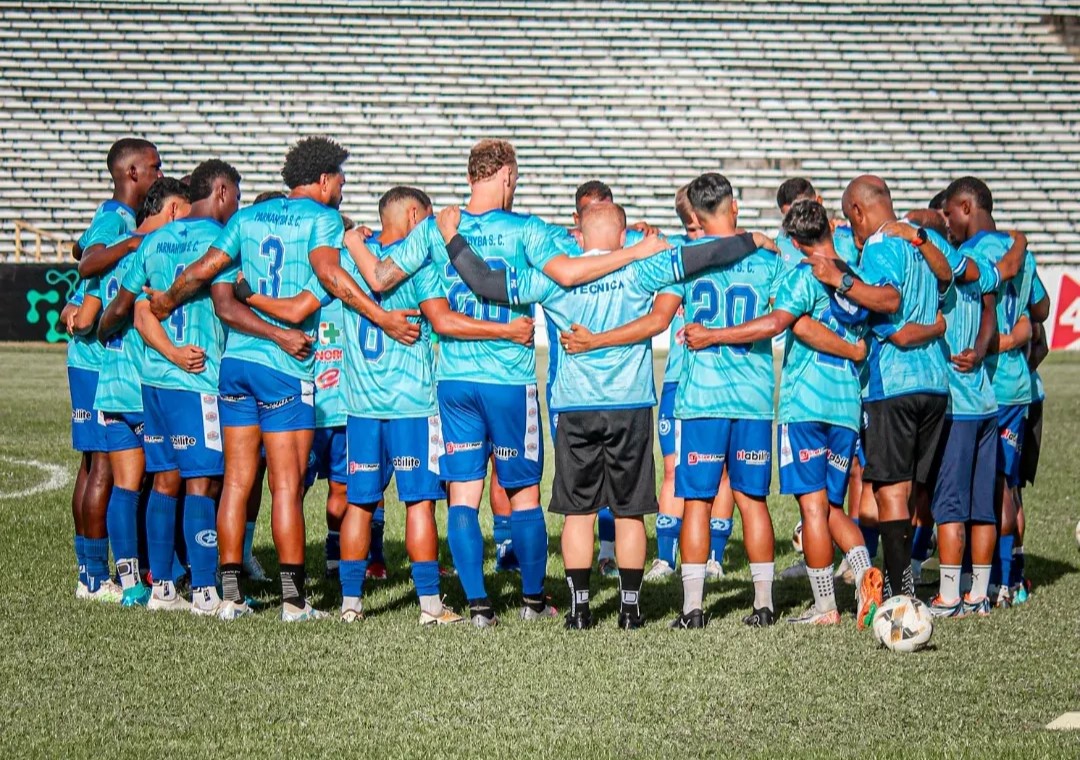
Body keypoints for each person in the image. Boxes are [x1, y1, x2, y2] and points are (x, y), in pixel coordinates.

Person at [346, 139, 672, 626]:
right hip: (509, 377)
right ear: (506, 177)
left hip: (453, 378)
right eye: (514, 179)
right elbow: (573, 269)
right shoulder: (526, 230)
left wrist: (352, 238)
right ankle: (532, 601)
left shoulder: (438, 229)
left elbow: (379, 277)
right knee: (522, 492)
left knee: (463, 493)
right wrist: (636, 248)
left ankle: (478, 606)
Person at [147, 136, 419, 621]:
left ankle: (229, 596)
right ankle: (294, 601)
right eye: (340, 177)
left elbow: (207, 274)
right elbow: (331, 278)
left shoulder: (247, 218)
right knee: (286, 487)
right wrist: (381, 317)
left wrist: (167, 299)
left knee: (235, 481)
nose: (342, 186)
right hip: (284, 371)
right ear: (322, 179)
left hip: (236, 365)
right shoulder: (323, 220)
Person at [437, 200, 677, 629]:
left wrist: (454, 239)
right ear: (623, 237)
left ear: (577, 237)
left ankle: (580, 609)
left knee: (578, 512)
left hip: (575, 404)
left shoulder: (555, 276)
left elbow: (486, 283)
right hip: (629, 400)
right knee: (629, 511)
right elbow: (690, 251)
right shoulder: (641, 266)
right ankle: (629, 609)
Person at [683, 199, 886, 626]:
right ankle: (867, 574)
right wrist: (852, 349)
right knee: (831, 506)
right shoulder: (856, 277)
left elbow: (785, 324)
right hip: (847, 403)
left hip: (806, 403)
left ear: (794, 241)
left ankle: (826, 605)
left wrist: (714, 335)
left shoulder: (801, 276)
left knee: (813, 508)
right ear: (832, 227)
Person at [809, 175, 951, 599]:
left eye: (852, 222)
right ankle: (905, 578)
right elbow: (945, 287)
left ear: (857, 210)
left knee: (891, 491)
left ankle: (899, 591)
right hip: (935, 383)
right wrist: (934, 327)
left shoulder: (881, 246)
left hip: (894, 384)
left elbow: (888, 300)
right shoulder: (921, 244)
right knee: (910, 492)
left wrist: (842, 281)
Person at [120, 160, 243, 615]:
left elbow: (139, 311)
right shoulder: (222, 242)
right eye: (238, 196)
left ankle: (162, 589)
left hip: (155, 379)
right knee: (202, 483)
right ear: (223, 191)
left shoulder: (154, 240)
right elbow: (234, 299)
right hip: (198, 381)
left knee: (165, 481)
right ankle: (207, 591)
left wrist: (168, 353)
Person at [90, 177, 192, 606]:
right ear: (171, 210)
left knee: (126, 487)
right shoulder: (162, 251)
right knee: (171, 481)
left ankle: (131, 582)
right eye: (187, 213)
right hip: (148, 384)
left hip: (111, 383)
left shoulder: (115, 250)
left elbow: (91, 319)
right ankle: (167, 577)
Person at [65, 137, 160, 601]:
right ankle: (92, 575)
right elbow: (88, 263)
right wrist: (134, 242)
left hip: (96, 361)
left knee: (94, 465)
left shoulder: (121, 219)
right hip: (94, 363)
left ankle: (91, 570)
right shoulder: (116, 217)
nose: (159, 174)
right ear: (132, 173)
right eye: (154, 167)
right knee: (100, 466)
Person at [940, 176, 1039, 608]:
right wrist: (1020, 336)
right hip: (1017, 386)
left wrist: (993, 343)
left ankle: (989, 582)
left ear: (965, 206)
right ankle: (1008, 580)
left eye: (949, 213)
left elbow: (974, 319)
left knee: (981, 489)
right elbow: (1042, 310)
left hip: (982, 387)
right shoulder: (1021, 252)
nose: (947, 222)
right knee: (1007, 486)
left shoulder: (969, 256)